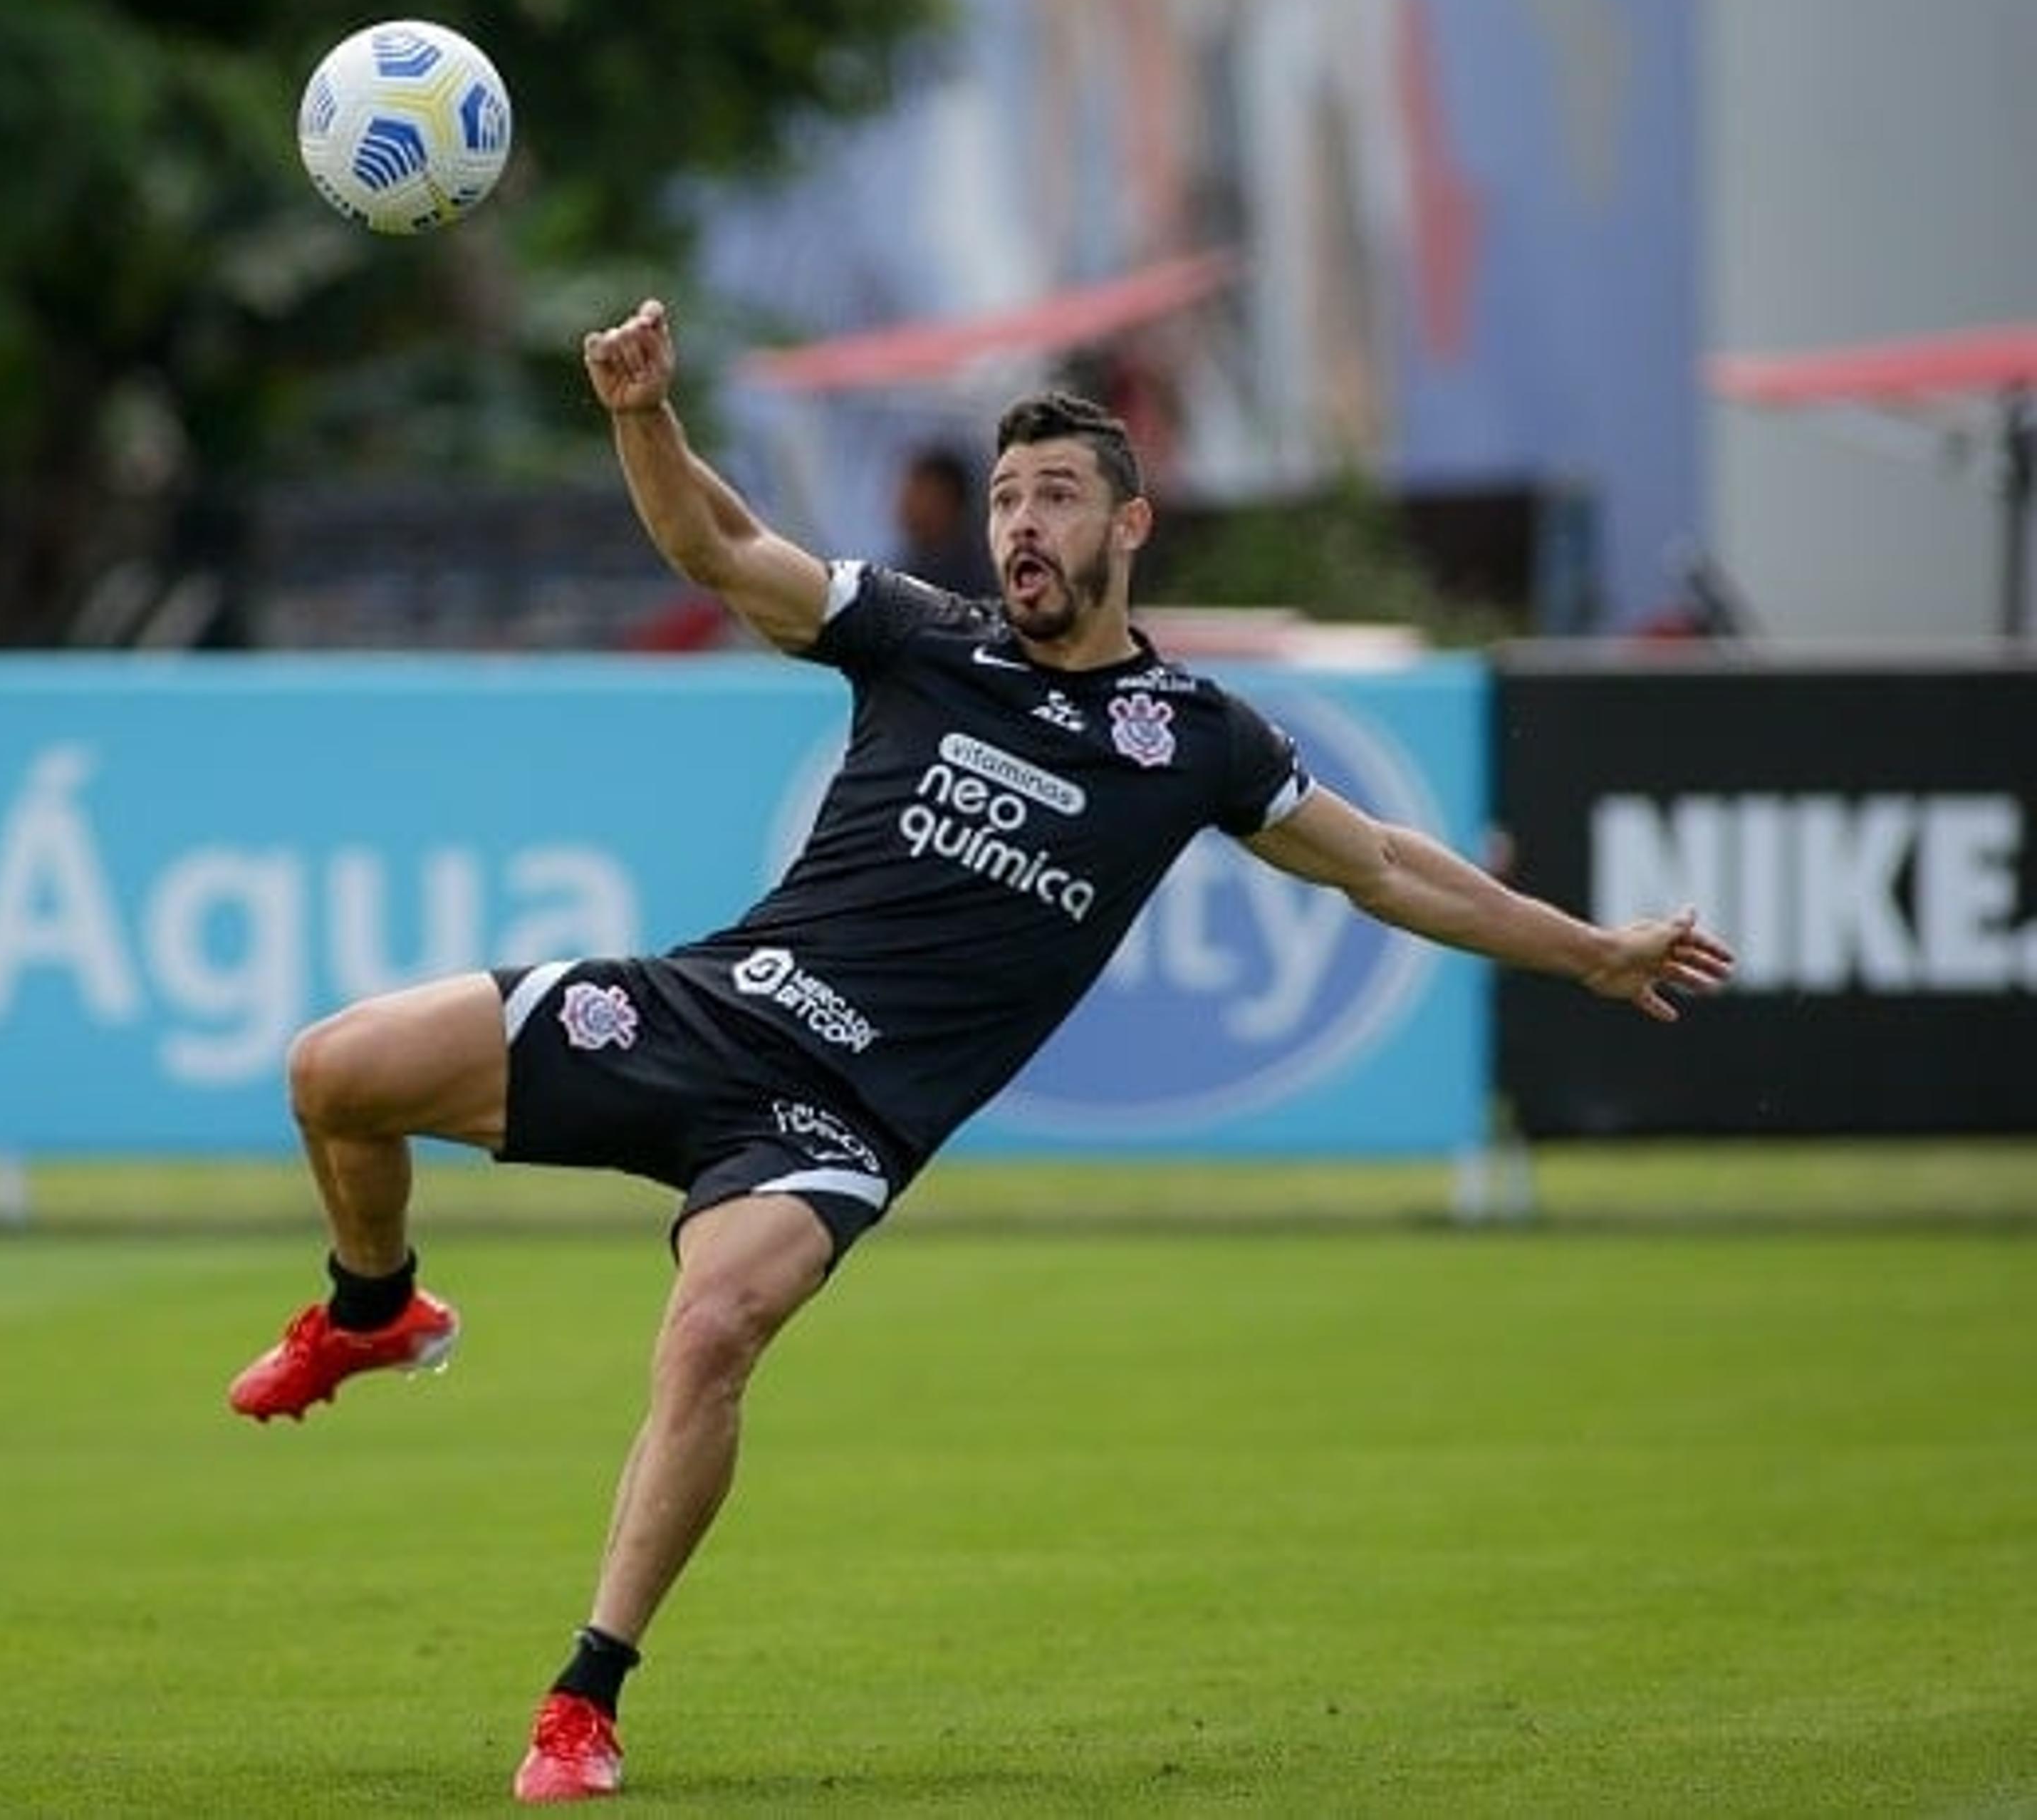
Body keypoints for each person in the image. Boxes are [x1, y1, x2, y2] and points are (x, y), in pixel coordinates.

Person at [226, 296, 1735, 1804]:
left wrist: (1589, 948)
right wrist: (641, 414)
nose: (1021, 522)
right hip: (706, 1007)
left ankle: (583, 1694)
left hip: (834, 1119)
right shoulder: (920, 638)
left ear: (1129, 525)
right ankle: (375, 1306)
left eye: (1056, 496)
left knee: (710, 1332)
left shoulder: (1191, 739)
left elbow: (1389, 867)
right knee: (333, 1072)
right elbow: (716, 547)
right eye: (1007, 496)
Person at [890, 439, 995, 600]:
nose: (907, 504)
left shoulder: (967, 577)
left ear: (951, 502)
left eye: (922, 495)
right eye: (909, 491)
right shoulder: (911, 567)